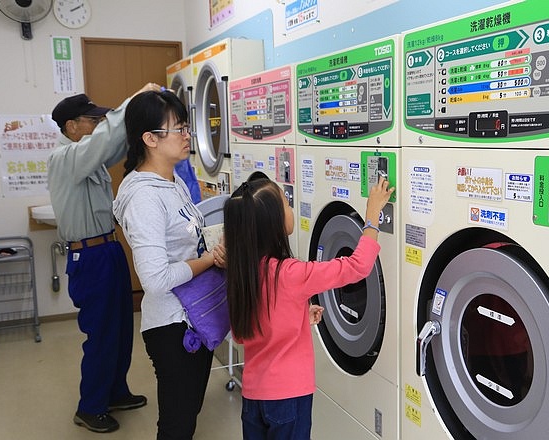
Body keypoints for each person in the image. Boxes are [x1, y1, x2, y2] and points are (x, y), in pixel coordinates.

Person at [223, 176, 394, 439]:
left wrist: (298, 314)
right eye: (286, 202)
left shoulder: (242, 272)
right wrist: (371, 218)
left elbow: (244, 333)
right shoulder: (290, 273)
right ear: (274, 223)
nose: (291, 207)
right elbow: (357, 267)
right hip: (289, 396)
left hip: (254, 395)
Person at [112, 90, 227, 440]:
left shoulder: (172, 181)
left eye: (186, 127)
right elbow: (156, 278)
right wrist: (208, 259)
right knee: (177, 424)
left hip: (193, 317)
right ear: (150, 139)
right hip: (173, 327)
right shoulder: (145, 197)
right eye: (178, 128)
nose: (187, 135)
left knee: (187, 412)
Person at [48, 84, 159, 433]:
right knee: (100, 333)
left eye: (99, 120)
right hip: (89, 257)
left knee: (121, 327)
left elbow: (112, 146)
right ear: (71, 126)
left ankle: (115, 391)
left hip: (108, 249)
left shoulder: (86, 158)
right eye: (91, 119)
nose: (97, 125)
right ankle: (91, 405)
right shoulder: (65, 159)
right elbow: (101, 144)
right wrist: (134, 99)